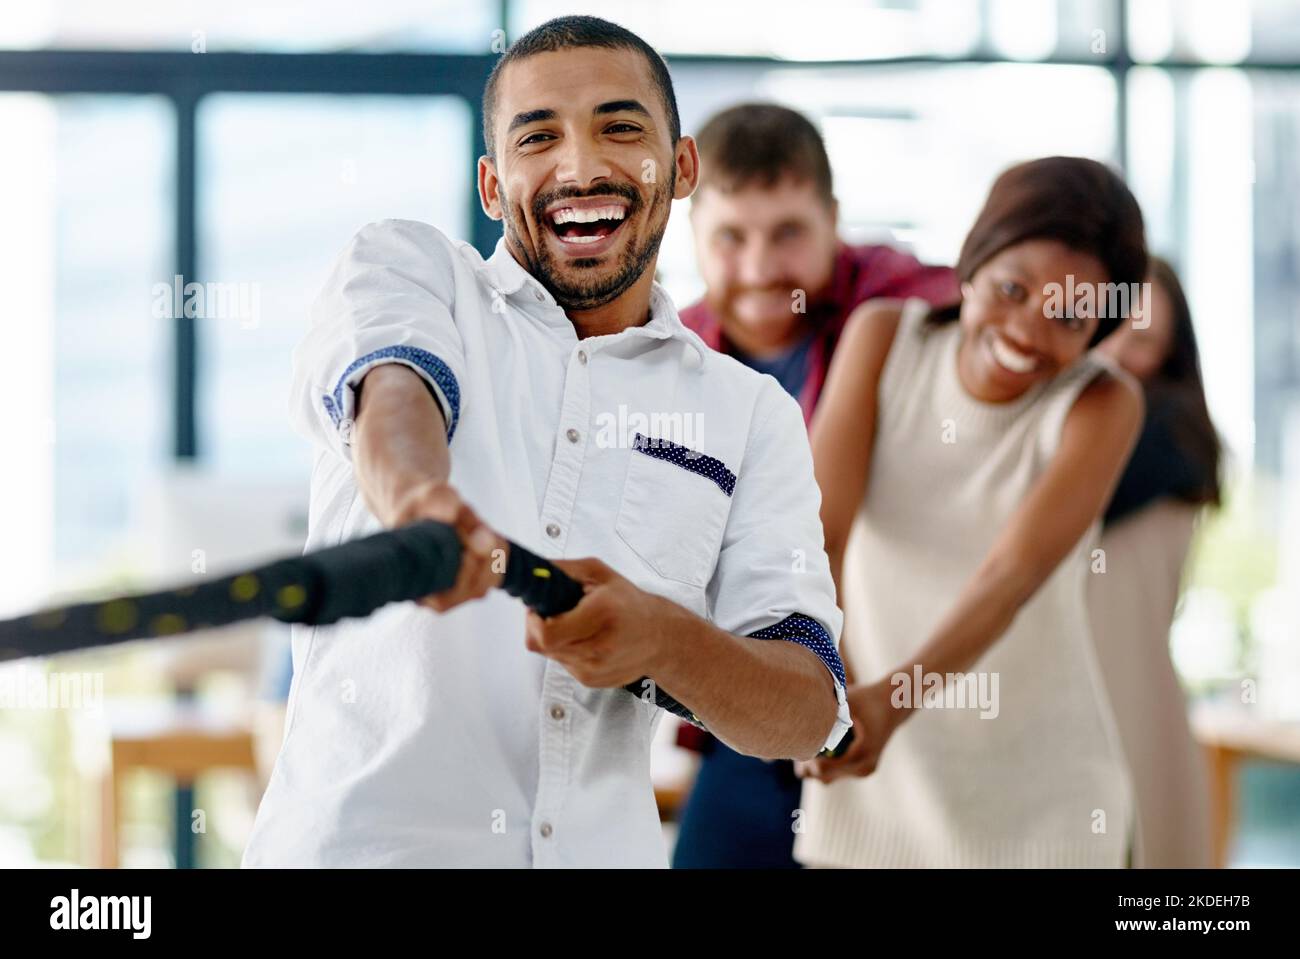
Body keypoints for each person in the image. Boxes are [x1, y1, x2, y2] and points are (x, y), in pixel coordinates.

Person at [242, 15, 850, 868]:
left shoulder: (749, 413)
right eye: (539, 138)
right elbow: (394, 388)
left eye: (620, 127)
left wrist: (668, 640)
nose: (581, 166)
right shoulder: (409, 268)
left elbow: (809, 709)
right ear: (493, 186)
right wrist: (422, 508)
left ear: (680, 169)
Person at [795, 156, 1147, 868]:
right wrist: (835, 693)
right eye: (1013, 288)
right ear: (972, 265)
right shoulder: (885, 338)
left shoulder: (1100, 404)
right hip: (872, 786)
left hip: (1045, 810)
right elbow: (818, 535)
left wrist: (883, 704)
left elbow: (1007, 578)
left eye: (1070, 316)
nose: (1026, 330)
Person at [671, 102, 956, 868]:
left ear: (834, 221)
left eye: (789, 232)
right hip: (754, 704)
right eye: (732, 237)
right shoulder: (671, 358)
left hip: (906, 710)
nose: (762, 268)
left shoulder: (905, 304)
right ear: (693, 234)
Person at [1089, 256, 1222, 868]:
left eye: (1143, 342)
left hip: (1130, 706)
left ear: (1170, 355)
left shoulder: (1169, 432)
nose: (1118, 353)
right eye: (1109, 328)